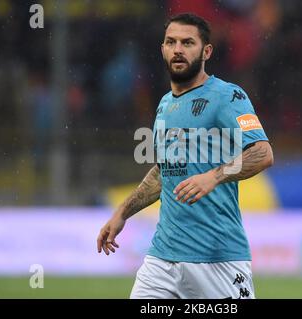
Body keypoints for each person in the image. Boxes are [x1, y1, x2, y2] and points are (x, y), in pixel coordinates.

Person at [97, 13, 274, 299]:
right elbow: (163, 171)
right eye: (171, 42)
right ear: (163, 49)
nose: (178, 49)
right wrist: (122, 213)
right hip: (162, 259)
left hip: (217, 258)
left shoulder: (227, 96)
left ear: (206, 51)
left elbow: (262, 153)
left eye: (187, 42)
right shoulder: (165, 105)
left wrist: (214, 177)